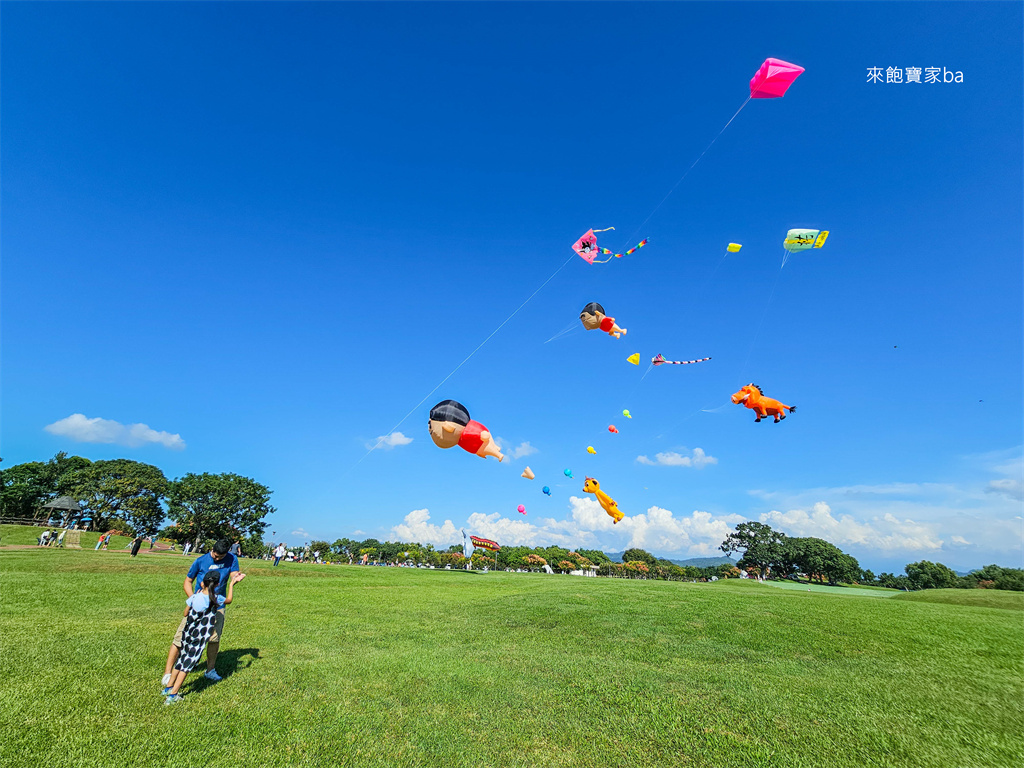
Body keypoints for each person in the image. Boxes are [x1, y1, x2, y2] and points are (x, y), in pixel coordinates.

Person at [161, 539, 242, 688]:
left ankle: (210, 670)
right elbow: (187, 581)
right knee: (180, 638)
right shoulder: (200, 561)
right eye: (214, 555)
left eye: (219, 557)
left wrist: (235, 579)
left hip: (217, 606)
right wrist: (194, 599)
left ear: (226, 554)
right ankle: (167, 673)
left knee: (214, 638)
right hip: (198, 607)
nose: (215, 559)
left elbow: (233, 574)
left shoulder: (232, 558)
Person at [163, 570, 245, 704]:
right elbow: (228, 600)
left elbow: (185, 613)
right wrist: (231, 584)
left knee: (180, 661)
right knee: (186, 666)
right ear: (218, 584)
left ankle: (168, 688)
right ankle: (173, 695)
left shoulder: (195, 596)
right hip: (198, 638)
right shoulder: (215, 599)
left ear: (202, 583)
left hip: (187, 634)